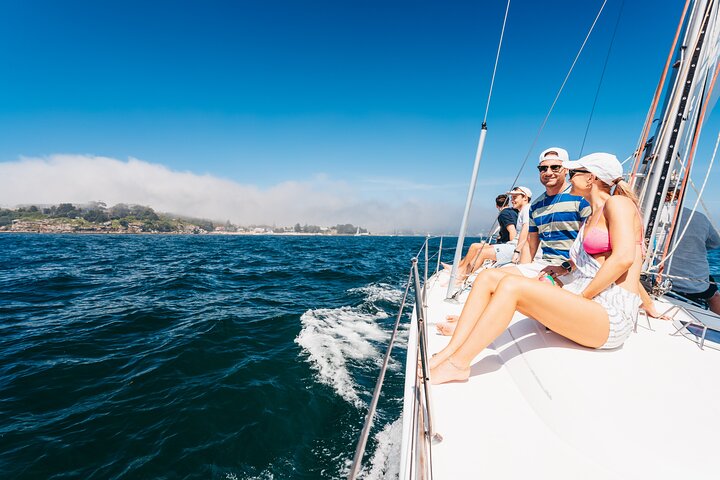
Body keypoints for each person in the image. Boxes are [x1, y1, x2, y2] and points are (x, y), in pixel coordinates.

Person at [430, 153, 651, 385]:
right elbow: (593, 262)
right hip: (585, 303)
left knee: (511, 285)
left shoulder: (618, 203)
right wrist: (564, 267)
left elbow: (624, 259)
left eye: (573, 173)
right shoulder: (592, 215)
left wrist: (582, 297)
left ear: (591, 179)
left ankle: (458, 365)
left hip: (610, 314)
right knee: (488, 276)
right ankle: (450, 351)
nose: (567, 177)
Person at [443, 194, 518, 279]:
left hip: (506, 245)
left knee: (479, 250)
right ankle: (458, 268)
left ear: (496, 205)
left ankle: (463, 274)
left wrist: (514, 248)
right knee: (474, 246)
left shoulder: (503, 214)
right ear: (508, 203)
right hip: (503, 243)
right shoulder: (513, 212)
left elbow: (512, 231)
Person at [666, 207, 720, 314]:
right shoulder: (700, 217)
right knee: (715, 295)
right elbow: (715, 242)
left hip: (661, 280)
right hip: (697, 287)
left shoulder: (654, 213)